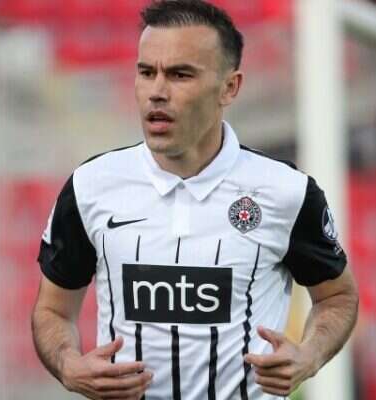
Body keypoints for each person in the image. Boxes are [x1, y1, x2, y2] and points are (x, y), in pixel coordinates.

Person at [31, 1, 359, 399]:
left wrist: (309, 356)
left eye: (180, 74)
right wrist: (68, 365)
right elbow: (52, 310)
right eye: (146, 72)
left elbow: (337, 297)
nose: (157, 92)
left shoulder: (285, 192)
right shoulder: (91, 186)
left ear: (229, 87)